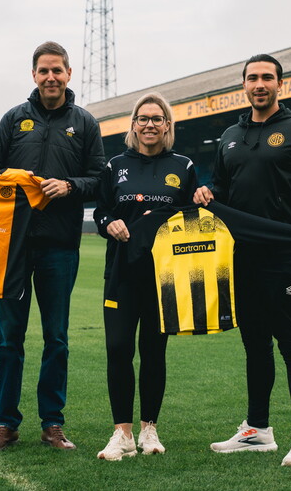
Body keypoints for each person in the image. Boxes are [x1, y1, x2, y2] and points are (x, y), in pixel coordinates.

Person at [194, 54, 291, 468]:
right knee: (254, 344)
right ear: (243, 85)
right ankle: (258, 430)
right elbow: (222, 189)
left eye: (266, 77)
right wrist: (207, 194)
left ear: (281, 84)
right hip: (241, 256)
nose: (259, 84)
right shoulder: (229, 136)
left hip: (286, 254)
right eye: (252, 78)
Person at [0, 41, 105, 451]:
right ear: (33, 75)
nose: (51, 77)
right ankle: (6, 423)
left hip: (60, 248)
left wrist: (68, 186)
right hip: (12, 247)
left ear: (69, 74)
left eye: (58, 70)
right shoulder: (14, 119)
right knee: (9, 338)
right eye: (43, 70)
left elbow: (99, 179)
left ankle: (52, 422)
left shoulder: (84, 122)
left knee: (57, 338)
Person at [93, 93, 199, 460]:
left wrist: (201, 199)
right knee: (118, 349)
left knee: (154, 352)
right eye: (143, 118)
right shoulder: (115, 165)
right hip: (121, 273)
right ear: (133, 124)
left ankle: (149, 429)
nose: (150, 124)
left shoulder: (184, 166)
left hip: (164, 277)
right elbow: (101, 211)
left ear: (167, 125)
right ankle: (121, 432)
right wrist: (110, 223)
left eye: (157, 118)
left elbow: (192, 218)